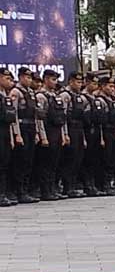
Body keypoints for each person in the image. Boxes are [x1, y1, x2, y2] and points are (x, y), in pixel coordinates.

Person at [9, 67, 41, 203]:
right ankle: (17, 191)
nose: (29, 80)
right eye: (27, 77)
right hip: (21, 127)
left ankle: (25, 190)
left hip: (31, 127)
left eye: (30, 78)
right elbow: (13, 114)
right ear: (21, 77)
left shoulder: (31, 93)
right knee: (20, 161)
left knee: (29, 160)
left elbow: (35, 115)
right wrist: (17, 133)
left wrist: (38, 132)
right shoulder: (16, 92)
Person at [35, 70, 68, 201]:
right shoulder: (41, 96)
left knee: (54, 163)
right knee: (45, 164)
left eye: (56, 80)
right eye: (53, 79)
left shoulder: (56, 96)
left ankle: (52, 188)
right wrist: (43, 137)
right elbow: (40, 118)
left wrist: (63, 135)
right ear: (46, 79)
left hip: (57, 132)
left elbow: (61, 118)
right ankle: (45, 191)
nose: (56, 82)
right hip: (48, 132)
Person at [58, 72, 88, 198]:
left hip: (79, 129)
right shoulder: (65, 95)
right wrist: (65, 134)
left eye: (81, 82)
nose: (79, 84)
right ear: (70, 82)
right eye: (77, 82)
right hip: (70, 128)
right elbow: (63, 116)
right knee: (69, 159)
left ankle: (73, 185)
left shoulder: (80, 96)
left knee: (78, 158)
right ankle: (67, 186)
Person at [0, 68, 18, 207]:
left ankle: (3, 194)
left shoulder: (6, 97)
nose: (10, 81)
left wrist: (12, 137)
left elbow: (11, 119)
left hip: (5, 132)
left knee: (5, 164)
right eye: (6, 79)